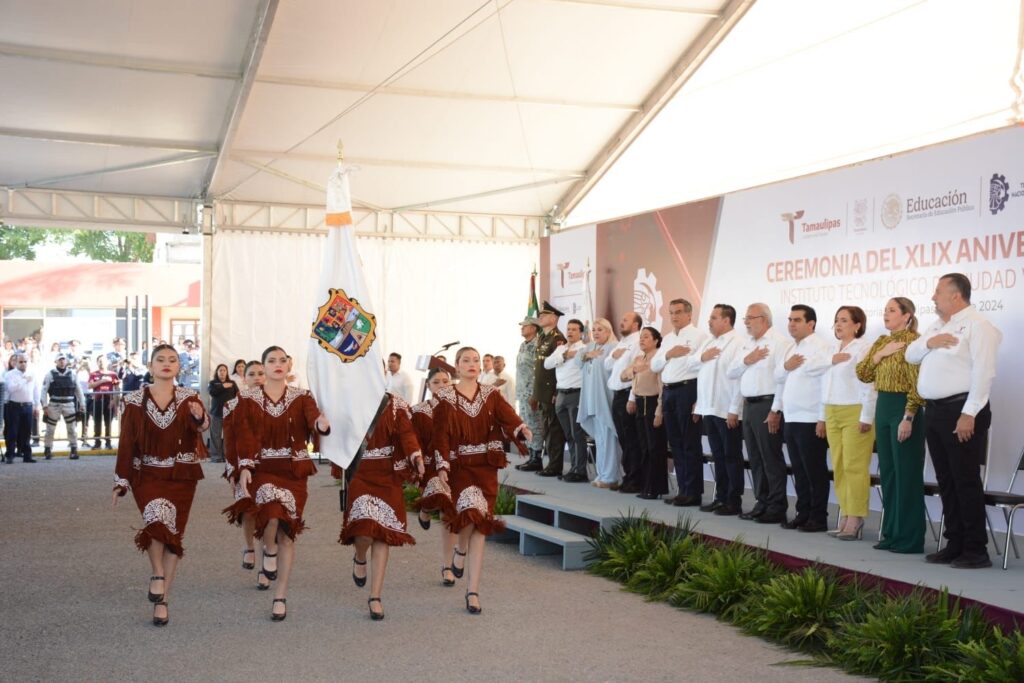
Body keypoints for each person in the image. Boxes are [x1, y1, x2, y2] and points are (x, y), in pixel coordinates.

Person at [225, 346, 329, 621]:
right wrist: (244, 467)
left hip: (294, 472)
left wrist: (321, 425)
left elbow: (313, 421)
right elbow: (244, 434)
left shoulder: (302, 396)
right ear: (264, 366)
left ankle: (280, 596)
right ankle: (267, 549)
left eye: (282, 360)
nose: (277, 364)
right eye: (271, 361)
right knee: (271, 515)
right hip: (263, 470)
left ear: (288, 365)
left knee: (287, 533)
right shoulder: (247, 398)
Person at [906, 273, 1002, 568]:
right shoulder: (937, 326)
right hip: (934, 411)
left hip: (961, 411)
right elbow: (911, 355)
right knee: (946, 481)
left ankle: (975, 550)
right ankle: (954, 543)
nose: (933, 297)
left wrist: (969, 413)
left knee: (965, 480)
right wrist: (930, 342)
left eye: (938, 291)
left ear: (955, 295)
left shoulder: (978, 326)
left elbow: (984, 373)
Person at [111, 344, 210, 626]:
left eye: (172, 360)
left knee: (173, 536)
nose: (167, 363)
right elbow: (126, 442)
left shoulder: (190, 397)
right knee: (156, 521)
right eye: (161, 359)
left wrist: (199, 418)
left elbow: (203, 428)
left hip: (182, 476)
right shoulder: (133, 400)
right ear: (150, 366)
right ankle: (157, 572)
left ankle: (163, 600)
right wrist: (121, 480)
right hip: (148, 475)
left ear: (179, 366)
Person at [433, 347, 532, 614]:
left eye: (476, 360)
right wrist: (441, 466)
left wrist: (521, 428)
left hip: (486, 467)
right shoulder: (445, 397)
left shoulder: (491, 393)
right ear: (456, 366)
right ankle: (460, 549)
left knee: (481, 526)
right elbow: (440, 434)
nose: (472, 364)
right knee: (470, 515)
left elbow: (508, 416)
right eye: (466, 360)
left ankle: (473, 591)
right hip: (460, 468)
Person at [340, 393, 425, 620]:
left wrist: (415, 456)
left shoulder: (395, 404)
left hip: (387, 475)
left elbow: (407, 434)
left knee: (382, 535)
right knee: (364, 530)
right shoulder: (347, 400)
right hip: (360, 473)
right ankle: (360, 556)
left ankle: (375, 596)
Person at [856, 297, 926, 555]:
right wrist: (880, 355)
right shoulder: (881, 342)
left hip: (903, 407)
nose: (886, 314)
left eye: (892, 310)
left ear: (907, 316)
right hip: (883, 406)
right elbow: (863, 373)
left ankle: (909, 538)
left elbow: (917, 384)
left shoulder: (914, 342)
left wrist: (909, 416)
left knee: (906, 473)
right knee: (889, 472)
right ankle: (892, 533)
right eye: (885, 310)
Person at [727, 303, 789, 523]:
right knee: (755, 457)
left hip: (767, 404)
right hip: (749, 405)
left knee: (770, 457)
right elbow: (731, 372)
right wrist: (747, 360)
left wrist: (776, 410)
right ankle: (761, 502)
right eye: (745, 318)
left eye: (750, 318)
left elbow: (783, 379)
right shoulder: (747, 344)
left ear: (763, 319)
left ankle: (777, 506)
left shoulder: (779, 343)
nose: (746, 322)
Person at [820, 305, 876, 541]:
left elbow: (869, 383)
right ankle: (845, 514)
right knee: (840, 466)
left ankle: (855, 517)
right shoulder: (830, 349)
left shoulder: (864, 348)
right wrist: (822, 416)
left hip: (855, 410)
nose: (838, 324)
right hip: (831, 409)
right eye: (836, 320)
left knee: (855, 466)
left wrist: (867, 416)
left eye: (844, 320)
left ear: (857, 325)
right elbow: (822, 380)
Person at [774, 305, 832, 532]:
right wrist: (786, 366)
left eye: (797, 320)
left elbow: (826, 384)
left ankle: (818, 517)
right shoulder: (790, 348)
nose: (791, 324)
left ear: (811, 324)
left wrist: (822, 418)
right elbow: (778, 376)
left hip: (811, 418)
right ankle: (803, 513)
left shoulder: (821, 347)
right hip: (791, 417)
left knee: (814, 471)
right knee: (798, 470)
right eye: (790, 319)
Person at [651, 298, 709, 507]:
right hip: (669, 392)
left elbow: (704, 368)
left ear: (689, 314)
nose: (674, 316)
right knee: (675, 443)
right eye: (671, 312)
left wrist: (699, 400)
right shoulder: (667, 338)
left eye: (678, 312)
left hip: (688, 390)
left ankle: (693, 492)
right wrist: (669, 354)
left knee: (689, 443)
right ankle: (683, 490)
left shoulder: (700, 336)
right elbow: (655, 365)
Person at [692, 304, 744, 515]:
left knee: (731, 456)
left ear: (726, 320)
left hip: (726, 409)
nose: (709, 321)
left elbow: (739, 379)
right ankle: (720, 497)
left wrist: (734, 409)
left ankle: (733, 500)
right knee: (718, 455)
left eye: (714, 317)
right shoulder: (708, 341)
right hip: (708, 407)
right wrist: (701, 357)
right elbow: (691, 365)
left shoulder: (738, 343)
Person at [410, 368, 459, 586]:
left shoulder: (459, 409)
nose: (442, 385)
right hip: (429, 467)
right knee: (439, 497)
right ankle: (426, 508)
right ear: (428, 385)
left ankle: (447, 566)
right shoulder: (418, 411)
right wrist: (416, 467)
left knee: (449, 512)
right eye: (436, 382)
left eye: (445, 381)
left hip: (454, 466)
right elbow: (412, 442)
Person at [222, 360, 265, 574]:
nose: (257, 378)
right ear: (244, 379)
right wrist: (232, 471)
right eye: (252, 374)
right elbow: (230, 441)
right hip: (242, 465)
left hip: (269, 465)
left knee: (269, 514)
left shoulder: (275, 403)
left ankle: (267, 563)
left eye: (261, 373)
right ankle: (249, 547)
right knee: (248, 511)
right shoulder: (231, 405)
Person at [621, 327, 667, 500]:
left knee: (654, 447)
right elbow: (623, 376)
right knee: (644, 446)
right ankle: (645, 485)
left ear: (656, 340)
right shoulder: (639, 358)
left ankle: (655, 488)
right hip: (640, 403)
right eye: (641, 337)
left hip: (652, 403)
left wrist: (659, 410)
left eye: (646, 337)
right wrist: (634, 370)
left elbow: (662, 386)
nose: (642, 340)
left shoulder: (658, 358)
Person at [576, 317, 620, 489]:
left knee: (608, 438)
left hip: (605, 398)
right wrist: (588, 355)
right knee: (600, 439)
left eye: (600, 330)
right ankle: (602, 473)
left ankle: (611, 476)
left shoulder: (613, 347)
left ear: (608, 331)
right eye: (594, 330)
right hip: (591, 399)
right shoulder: (590, 347)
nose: (596, 333)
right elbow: (577, 361)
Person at [544, 318, 587, 482]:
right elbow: (547, 364)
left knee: (577, 434)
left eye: (574, 329)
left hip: (576, 394)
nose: (570, 332)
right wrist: (564, 356)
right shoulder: (561, 348)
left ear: (581, 333)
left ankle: (580, 471)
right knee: (568, 435)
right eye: (568, 329)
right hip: (561, 395)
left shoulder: (584, 349)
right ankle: (574, 468)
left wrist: (569, 356)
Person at [606, 312, 643, 493]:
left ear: (636, 325)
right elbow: (606, 365)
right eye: (622, 319)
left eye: (626, 320)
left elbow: (636, 373)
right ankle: (628, 476)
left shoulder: (638, 343)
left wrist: (631, 398)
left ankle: (635, 479)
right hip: (617, 395)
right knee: (623, 438)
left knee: (631, 439)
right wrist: (614, 356)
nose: (621, 322)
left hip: (628, 394)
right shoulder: (622, 342)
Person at [533, 302, 568, 477]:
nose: (540, 317)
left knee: (554, 430)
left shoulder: (557, 338)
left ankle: (555, 466)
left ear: (554, 318)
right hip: (541, 392)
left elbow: (560, 368)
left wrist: (555, 392)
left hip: (551, 392)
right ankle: (550, 464)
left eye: (544, 315)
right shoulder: (542, 337)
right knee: (547, 429)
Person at [41, 354, 85, 460]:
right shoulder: (50, 374)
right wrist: (44, 406)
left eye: (63, 360)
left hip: (68, 404)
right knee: (50, 429)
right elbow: (44, 390)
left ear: (66, 361)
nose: (62, 362)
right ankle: (47, 449)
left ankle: (74, 450)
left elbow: (79, 390)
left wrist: (82, 404)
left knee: (72, 429)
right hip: (54, 404)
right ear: (56, 361)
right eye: (59, 360)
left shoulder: (72, 374)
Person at [514, 318, 544, 470]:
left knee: (535, 425)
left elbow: (538, 371)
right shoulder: (523, 345)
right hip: (522, 393)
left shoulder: (538, 345)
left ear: (533, 328)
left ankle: (537, 459)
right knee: (527, 425)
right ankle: (531, 456)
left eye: (524, 326)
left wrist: (535, 394)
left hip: (532, 393)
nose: (522, 328)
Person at [3, 354, 40, 463]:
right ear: (16, 363)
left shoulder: (32, 374)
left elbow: (36, 390)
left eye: (25, 362)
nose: (23, 364)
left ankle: (27, 455)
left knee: (27, 432)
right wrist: (24, 380)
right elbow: (11, 388)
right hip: (14, 405)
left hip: (28, 405)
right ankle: (10, 455)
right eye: (21, 362)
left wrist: (36, 406)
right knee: (12, 431)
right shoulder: (10, 375)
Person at [207, 364, 238, 464]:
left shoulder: (232, 383)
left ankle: (227, 456)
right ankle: (216, 457)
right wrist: (223, 386)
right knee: (215, 435)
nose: (222, 372)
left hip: (229, 413)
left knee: (228, 435)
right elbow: (212, 392)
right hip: (216, 413)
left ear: (227, 372)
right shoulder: (213, 383)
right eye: (220, 370)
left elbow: (237, 395)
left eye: (224, 370)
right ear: (217, 372)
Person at [88, 355, 120, 450]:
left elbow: (117, 388)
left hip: (109, 401)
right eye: (100, 361)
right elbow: (90, 385)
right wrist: (102, 381)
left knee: (108, 423)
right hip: (97, 400)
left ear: (107, 362)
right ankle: (97, 443)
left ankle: (108, 442)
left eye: (103, 361)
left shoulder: (113, 374)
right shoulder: (93, 374)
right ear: (97, 363)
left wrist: (114, 401)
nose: (102, 363)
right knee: (97, 422)